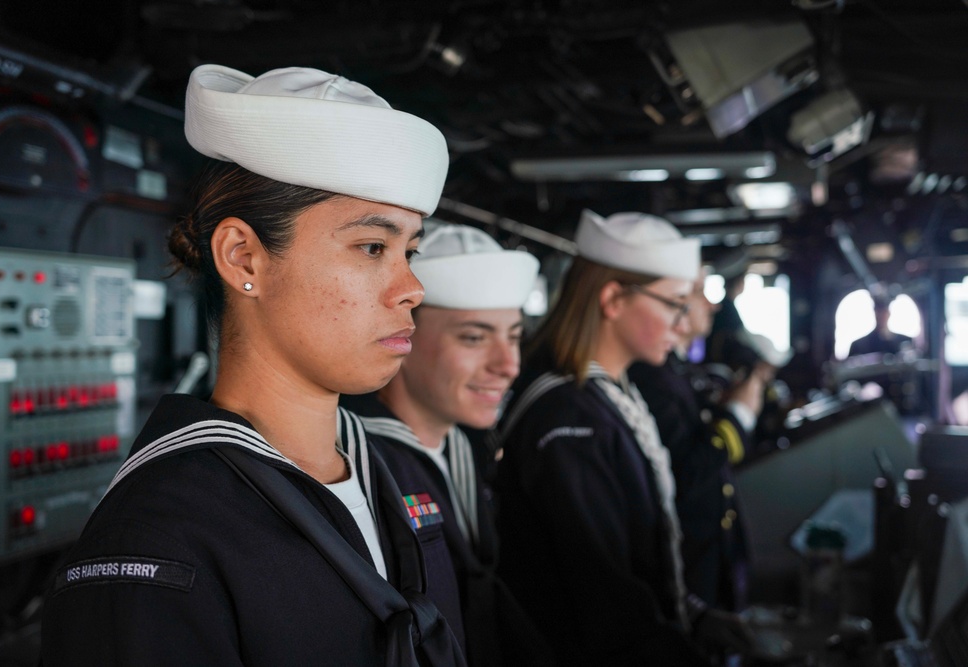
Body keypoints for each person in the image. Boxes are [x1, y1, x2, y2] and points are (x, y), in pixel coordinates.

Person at [40, 64, 466, 666]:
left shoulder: (393, 472)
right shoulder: (159, 540)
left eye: (409, 250)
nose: (412, 287)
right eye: (373, 247)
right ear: (245, 257)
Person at [494, 209, 752, 666]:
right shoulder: (569, 419)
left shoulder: (610, 395)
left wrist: (696, 617)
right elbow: (603, 596)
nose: (682, 322)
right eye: (674, 302)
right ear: (613, 299)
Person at [344, 222, 553, 666]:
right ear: (401, 333)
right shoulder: (358, 466)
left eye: (514, 336)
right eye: (474, 338)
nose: (509, 365)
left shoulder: (465, 447)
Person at [628, 268, 774, 613]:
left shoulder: (675, 373)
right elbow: (685, 473)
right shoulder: (651, 378)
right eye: (692, 292)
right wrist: (738, 416)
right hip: (689, 553)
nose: (710, 304)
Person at [848, 297, 913, 358]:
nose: (881, 315)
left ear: (888, 313)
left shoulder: (906, 340)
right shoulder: (858, 346)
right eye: (878, 312)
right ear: (875, 313)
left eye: (883, 311)